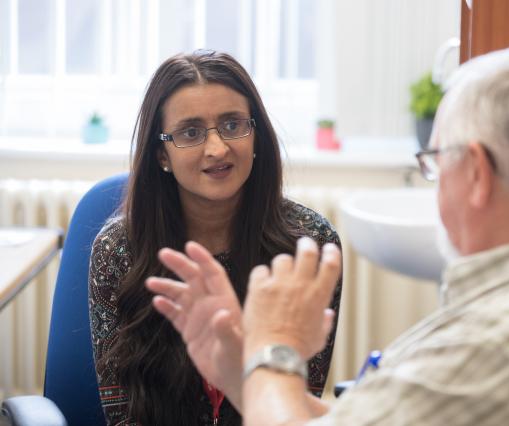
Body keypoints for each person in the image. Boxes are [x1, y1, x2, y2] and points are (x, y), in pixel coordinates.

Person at [147, 45, 509, 425]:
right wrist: (244, 372)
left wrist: (273, 348)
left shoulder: (492, 350)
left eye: (436, 161)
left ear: (477, 175)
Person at [88, 50, 342, 426]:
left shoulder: (309, 247)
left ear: (255, 134)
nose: (218, 148)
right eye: (191, 132)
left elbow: (294, 406)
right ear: (162, 153)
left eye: (233, 124)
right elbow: (123, 416)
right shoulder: (118, 252)